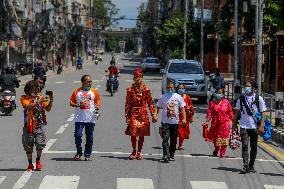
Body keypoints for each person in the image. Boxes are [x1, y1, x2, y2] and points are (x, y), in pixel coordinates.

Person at [233, 80, 267, 174]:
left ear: (253, 88)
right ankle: (245, 165)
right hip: (243, 126)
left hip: (255, 127)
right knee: (244, 145)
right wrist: (234, 125)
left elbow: (263, 112)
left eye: (248, 86)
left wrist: (261, 126)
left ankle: (251, 165)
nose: (246, 88)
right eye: (246, 86)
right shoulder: (241, 99)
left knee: (254, 147)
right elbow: (236, 113)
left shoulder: (258, 98)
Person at [20, 80, 53, 171]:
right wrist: (39, 101)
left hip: (40, 125)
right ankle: (30, 164)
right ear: (29, 90)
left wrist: (51, 99)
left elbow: (48, 109)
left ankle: (38, 160)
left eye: (37, 88)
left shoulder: (40, 97)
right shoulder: (24, 98)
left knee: (40, 144)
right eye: (35, 88)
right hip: (29, 125)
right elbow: (28, 107)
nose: (37, 90)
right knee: (28, 146)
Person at [125, 68, 156, 160]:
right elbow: (127, 104)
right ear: (134, 79)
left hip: (143, 114)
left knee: (142, 134)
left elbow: (150, 103)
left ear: (142, 78)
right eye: (136, 77)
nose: (138, 79)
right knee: (133, 133)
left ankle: (139, 152)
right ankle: (134, 151)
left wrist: (153, 114)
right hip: (133, 114)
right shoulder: (130, 90)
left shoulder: (146, 90)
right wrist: (127, 116)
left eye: (139, 77)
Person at [70, 75, 100, 161]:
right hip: (79, 118)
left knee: (89, 137)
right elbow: (71, 103)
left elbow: (97, 101)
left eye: (90, 81)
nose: (90, 83)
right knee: (77, 135)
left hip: (90, 118)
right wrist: (78, 105)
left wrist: (97, 107)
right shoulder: (77, 92)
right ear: (83, 82)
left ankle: (87, 154)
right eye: (88, 81)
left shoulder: (94, 92)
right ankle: (79, 152)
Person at [155, 81, 186, 163]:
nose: (170, 89)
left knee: (173, 140)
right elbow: (158, 106)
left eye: (171, 87)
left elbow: (182, 109)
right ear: (166, 88)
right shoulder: (163, 97)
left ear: (174, 88)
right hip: (165, 122)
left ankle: (171, 154)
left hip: (175, 122)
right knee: (165, 139)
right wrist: (155, 115)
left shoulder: (178, 97)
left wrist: (184, 119)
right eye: (168, 87)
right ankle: (165, 154)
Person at [206, 87, 234, 158]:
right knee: (216, 138)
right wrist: (207, 120)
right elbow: (209, 112)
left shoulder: (226, 102)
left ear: (223, 94)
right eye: (218, 93)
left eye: (220, 93)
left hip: (225, 123)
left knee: (224, 138)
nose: (219, 94)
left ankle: (222, 153)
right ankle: (216, 149)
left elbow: (230, 112)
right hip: (215, 123)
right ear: (215, 94)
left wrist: (234, 121)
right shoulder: (212, 103)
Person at [176, 83, 194, 150]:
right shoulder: (175, 96)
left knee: (182, 132)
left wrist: (191, 116)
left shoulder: (187, 97)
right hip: (176, 117)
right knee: (176, 131)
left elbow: (191, 106)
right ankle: (173, 143)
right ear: (177, 89)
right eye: (179, 88)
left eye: (182, 88)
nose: (181, 89)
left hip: (184, 117)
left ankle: (180, 145)